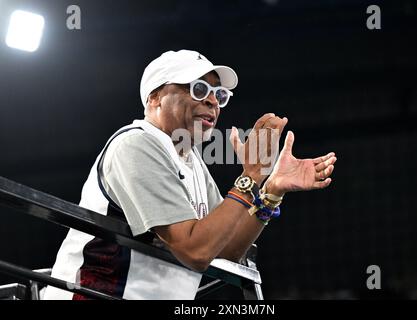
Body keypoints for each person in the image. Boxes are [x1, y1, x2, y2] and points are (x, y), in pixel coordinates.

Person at [43, 49, 337, 300]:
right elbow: (195, 251)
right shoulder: (136, 144)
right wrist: (252, 173)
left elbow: (225, 249)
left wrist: (271, 190)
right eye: (198, 89)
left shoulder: (191, 161)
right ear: (155, 98)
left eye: (219, 95)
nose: (213, 102)